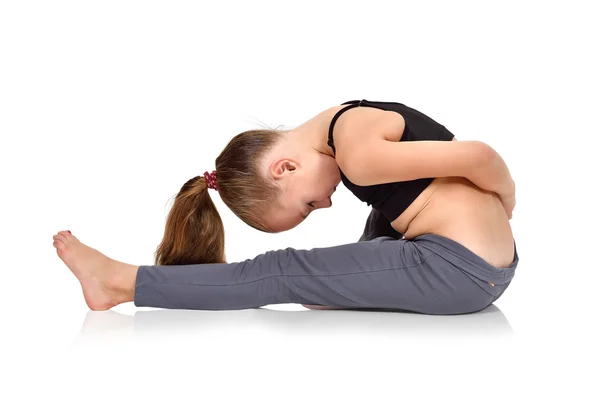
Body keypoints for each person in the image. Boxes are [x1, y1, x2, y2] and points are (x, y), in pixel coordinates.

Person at [53, 99, 518, 315]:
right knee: (380, 219)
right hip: (492, 267)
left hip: (458, 272)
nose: (329, 202)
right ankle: (345, 290)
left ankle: (119, 283)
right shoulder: (350, 120)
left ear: (284, 168)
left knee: (280, 272)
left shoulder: (356, 155)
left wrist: (506, 201)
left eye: (309, 203)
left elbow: (478, 157)